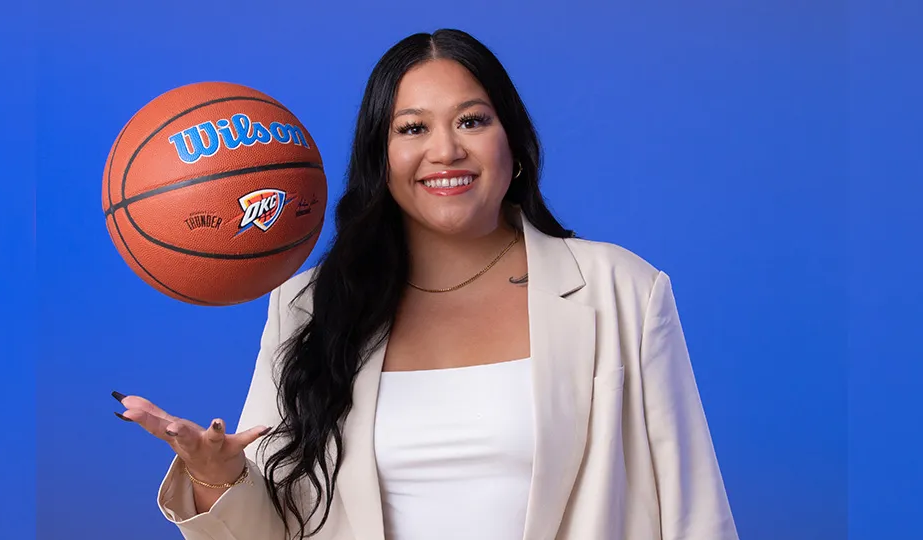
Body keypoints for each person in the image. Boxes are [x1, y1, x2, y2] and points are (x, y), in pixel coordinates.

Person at [112, 28, 739, 540]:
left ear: (513, 144)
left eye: (471, 121)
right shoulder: (309, 306)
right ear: (379, 157)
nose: (446, 150)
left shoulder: (619, 290)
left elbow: (694, 512)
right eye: (412, 129)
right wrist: (216, 479)